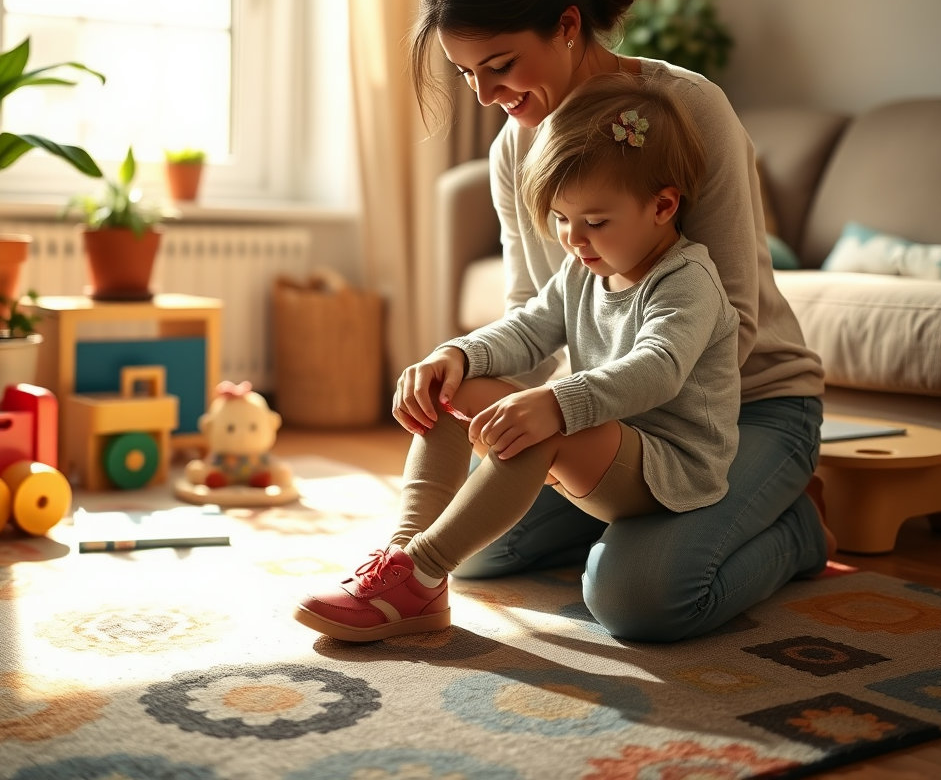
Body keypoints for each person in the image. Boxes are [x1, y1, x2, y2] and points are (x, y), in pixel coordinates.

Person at [300, 0, 829, 643]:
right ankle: (414, 565)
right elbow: (536, 310)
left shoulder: (686, 109)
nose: (485, 95)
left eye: (500, 65)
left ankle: (795, 527)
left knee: (641, 599)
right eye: (464, 74)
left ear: (569, 27)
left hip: (741, 408)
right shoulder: (515, 149)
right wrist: (459, 361)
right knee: (475, 550)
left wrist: (575, 417)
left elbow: (731, 323)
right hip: (611, 413)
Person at [294, 77, 743, 643]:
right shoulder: (585, 268)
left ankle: (424, 569)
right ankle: (406, 559)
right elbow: (531, 328)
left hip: (668, 465)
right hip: (601, 437)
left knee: (541, 432)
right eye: (561, 218)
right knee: (453, 388)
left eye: (596, 222)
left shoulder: (688, 280)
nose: (574, 239)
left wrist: (556, 402)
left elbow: (659, 366)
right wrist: (455, 354)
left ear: (663, 205)